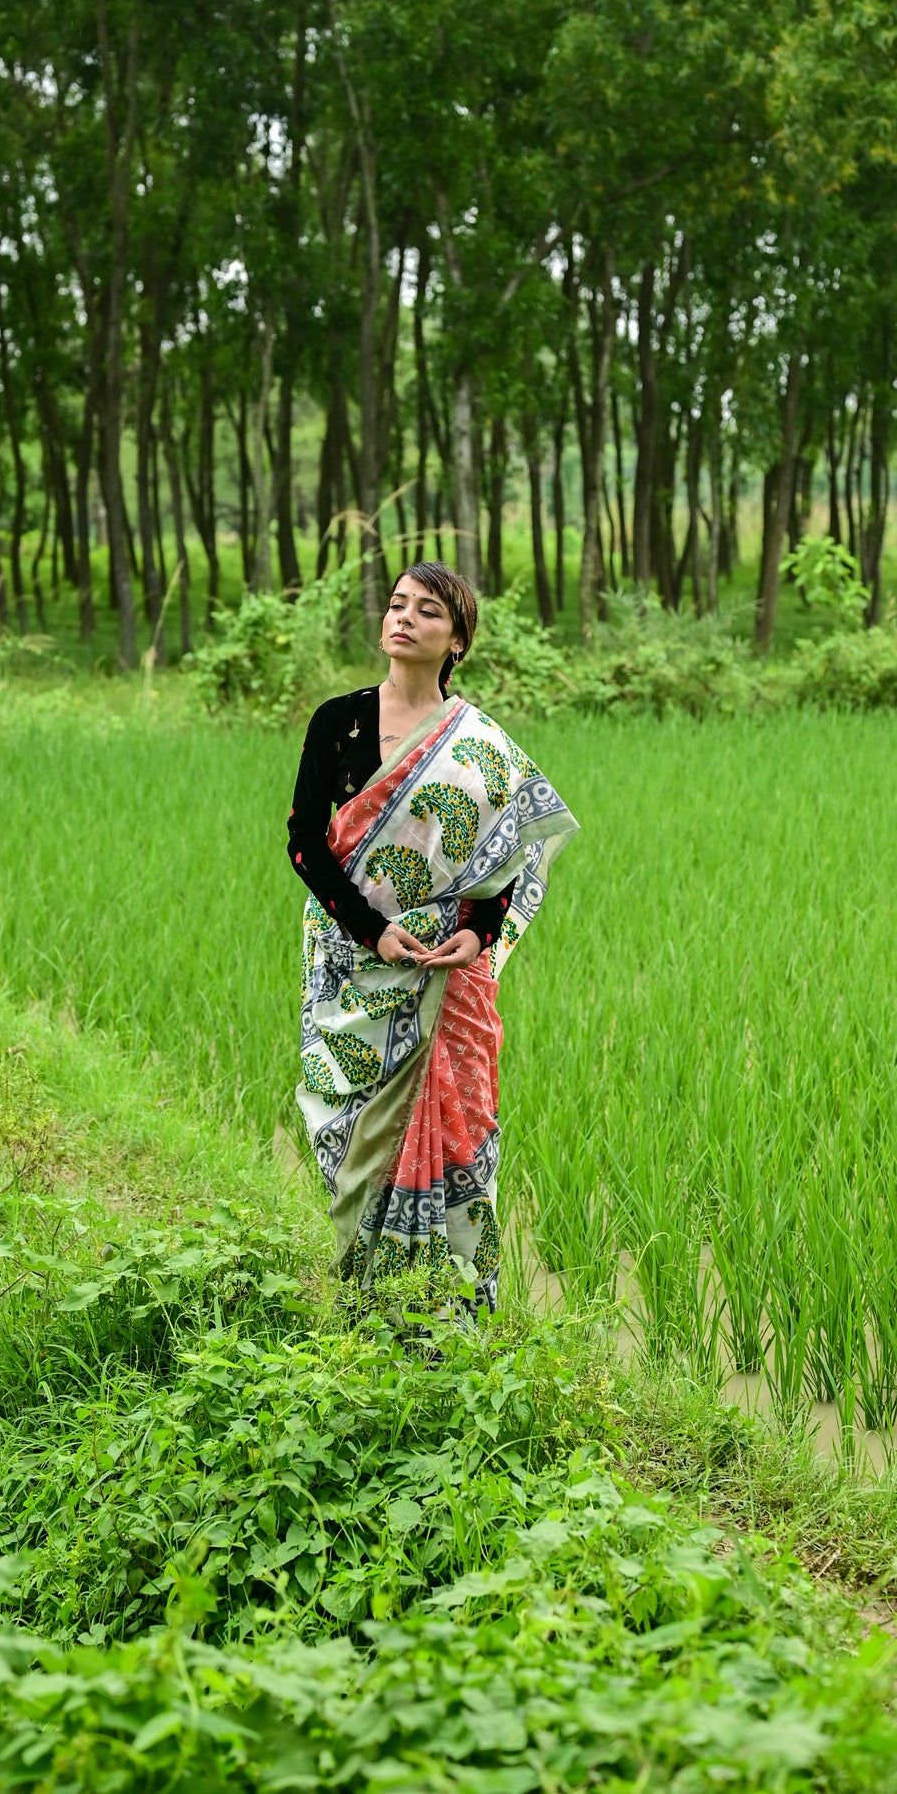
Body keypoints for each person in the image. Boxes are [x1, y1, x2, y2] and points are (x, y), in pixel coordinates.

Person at [287, 561, 578, 1313]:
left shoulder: (479, 746)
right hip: (355, 963)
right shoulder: (338, 722)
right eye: (395, 605)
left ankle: (447, 1303)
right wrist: (373, 930)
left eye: (426, 611)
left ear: (456, 641)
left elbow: (504, 865)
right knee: (348, 1134)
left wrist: (476, 939)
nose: (403, 618)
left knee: (456, 1129)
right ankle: (365, 1295)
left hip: (444, 977)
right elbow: (305, 845)